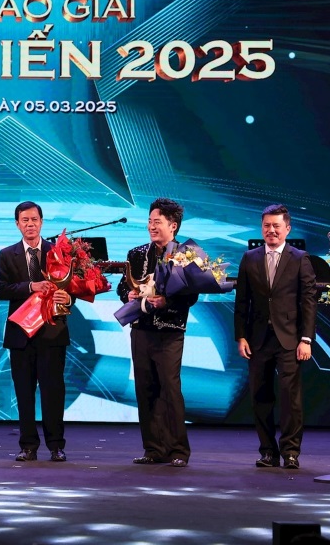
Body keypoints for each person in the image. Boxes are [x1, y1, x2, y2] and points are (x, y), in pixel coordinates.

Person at [234, 203, 318, 470]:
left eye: (276, 226)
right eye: (266, 225)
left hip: (290, 338)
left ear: (287, 229)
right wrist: (241, 336)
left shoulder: (300, 258)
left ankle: (291, 452)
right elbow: (242, 301)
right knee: (260, 397)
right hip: (258, 339)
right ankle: (268, 452)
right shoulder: (250, 258)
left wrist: (306, 339)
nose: (271, 230)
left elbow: (308, 301)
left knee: (290, 398)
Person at [121, 197, 197, 468]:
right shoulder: (137, 253)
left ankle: (179, 450)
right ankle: (153, 448)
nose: (152, 226)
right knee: (145, 388)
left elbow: (191, 295)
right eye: (150, 221)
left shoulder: (186, 254)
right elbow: (122, 287)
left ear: (173, 225)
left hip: (170, 330)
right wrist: (128, 294)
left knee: (170, 388)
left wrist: (167, 301)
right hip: (141, 329)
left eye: (158, 222)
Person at [0, 201, 73, 462]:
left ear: (41, 222)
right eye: (25, 220)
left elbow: (72, 288)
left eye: (34, 219)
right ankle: (28, 445)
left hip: (52, 333)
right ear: (17, 224)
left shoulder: (57, 252)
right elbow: (1, 290)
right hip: (21, 335)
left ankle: (56, 445)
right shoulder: (7, 254)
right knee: (24, 393)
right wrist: (31, 286)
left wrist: (68, 298)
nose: (30, 224)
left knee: (53, 392)